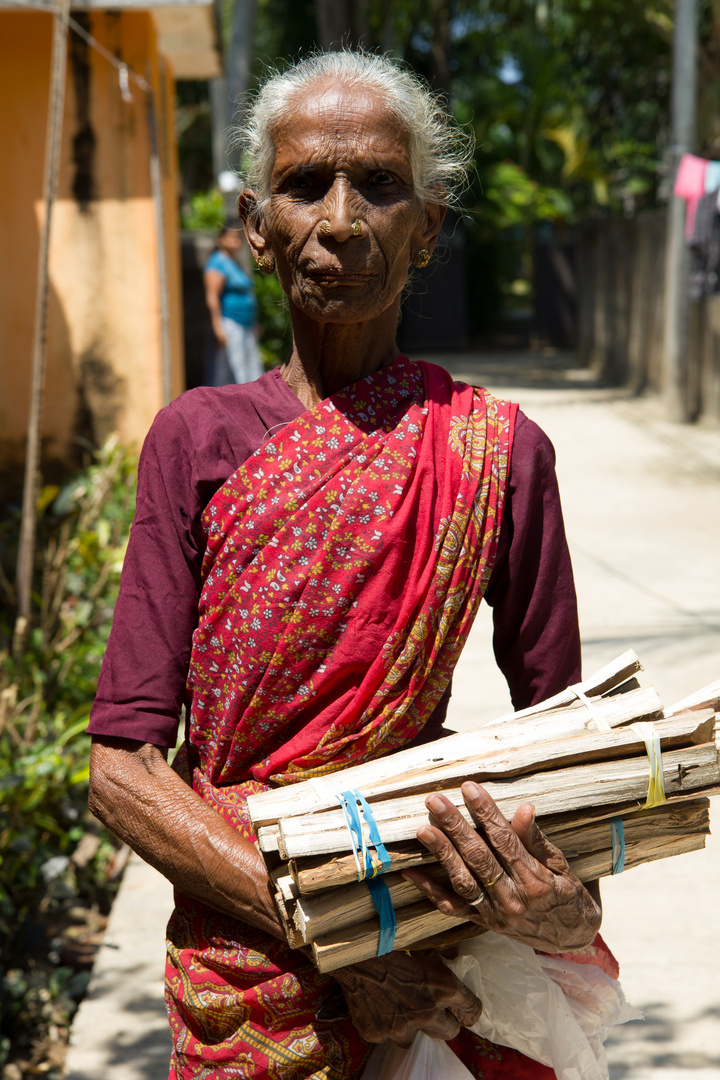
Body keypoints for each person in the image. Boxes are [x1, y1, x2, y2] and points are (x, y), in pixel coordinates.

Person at [87, 50, 610, 1080]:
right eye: (303, 184)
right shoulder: (196, 442)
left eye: (377, 184)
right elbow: (124, 771)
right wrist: (335, 937)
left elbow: (575, 745)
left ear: (428, 228)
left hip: (432, 941)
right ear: (254, 224)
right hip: (247, 959)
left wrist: (566, 902)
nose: (337, 218)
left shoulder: (495, 453)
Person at [203, 221, 264, 385]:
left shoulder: (234, 262)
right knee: (234, 367)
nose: (235, 243)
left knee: (251, 365)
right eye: (231, 238)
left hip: (246, 324)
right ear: (220, 240)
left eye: (237, 239)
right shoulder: (217, 263)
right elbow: (212, 296)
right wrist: (218, 326)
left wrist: (254, 323)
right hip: (230, 322)